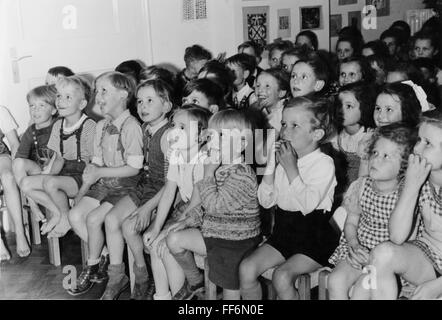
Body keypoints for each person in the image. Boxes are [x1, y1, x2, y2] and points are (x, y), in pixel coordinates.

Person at [240, 96, 339, 300]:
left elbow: (308, 205)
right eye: (284, 124)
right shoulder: (284, 158)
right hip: (284, 234)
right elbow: (266, 201)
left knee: (282, 277)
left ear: (316, 134)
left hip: (314, 239)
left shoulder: (323, 163)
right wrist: (269, 166)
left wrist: (290, 167)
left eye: (295, 126)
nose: (285, 131)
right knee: (247, 268)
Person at [165, 109, 261, 300]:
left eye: (222, 136)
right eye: (211, 136)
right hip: (216, 234)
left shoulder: (242, 175)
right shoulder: (219, 168)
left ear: (242, 144)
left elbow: (215, 205)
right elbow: (205, 207)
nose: (213, 142)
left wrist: (207, 175)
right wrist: (187, 221)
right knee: (174, 239)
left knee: (229, 291)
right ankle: (196, 282)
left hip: (236, 242)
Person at [67, 71, 143, 296]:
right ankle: (103, 255)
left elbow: (134, 167)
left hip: (125, 186)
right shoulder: (101, 126)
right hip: (103, 184)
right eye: (96, 91)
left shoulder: (131, 125)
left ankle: (95, 269)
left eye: (104, 91)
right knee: (74, 215)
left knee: (93, 219)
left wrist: (100, 171)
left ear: (123, 95)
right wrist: (84, 187)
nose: (97, 96)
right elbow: (96, 164)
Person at [100, 79, 173, 300]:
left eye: (150, 100)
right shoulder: (144, 128)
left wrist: (147, 208)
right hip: (145, 185)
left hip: (164, 192)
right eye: (140, 101)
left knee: (129, 227)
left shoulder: (169, 135)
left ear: (167, 106)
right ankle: (119, 277)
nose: (143, 106)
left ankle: (142, 275)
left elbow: (173, 182)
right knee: (111, 220)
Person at [328, 123, 417, 299]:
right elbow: (351, 222)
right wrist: (354, 245)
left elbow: (409, 240)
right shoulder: (361, 186)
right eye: (375, 153)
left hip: (386, 263)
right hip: (358, 249)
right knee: (335, 280)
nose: (375, 160)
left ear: (404, 166)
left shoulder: (406, 195)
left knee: (363, 289)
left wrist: (374, 259)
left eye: (386, 156)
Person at [369, 111, 442, 300]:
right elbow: (397, 237)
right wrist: (411, 186)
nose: (417, 148)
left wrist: (436, 287)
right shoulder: (416, 177)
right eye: (419, 140)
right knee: (383, 253)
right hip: (428, 258)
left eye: (428, 143)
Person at [142, 106, 211, 300]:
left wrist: (169, 230)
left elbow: (198, 204)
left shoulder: (204, 160)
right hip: (187, 212)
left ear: (202, 135)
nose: (174, 132)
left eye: (182, 127)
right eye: (173, 126)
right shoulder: (177, 155)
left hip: (204, 216)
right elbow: (168, 193)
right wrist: (156, 228)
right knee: (156, 244)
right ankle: (162, 296)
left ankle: (183, 296)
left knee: (166, 248)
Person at [20, 76, 96, 237]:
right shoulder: (58, 125)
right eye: (59, 96)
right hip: (64, 175)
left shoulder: (89, 126)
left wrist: (82, 191)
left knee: (51, 183)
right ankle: (58, 213)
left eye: (68, 97)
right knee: (26, 183)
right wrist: (45, 176)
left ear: (82, 104)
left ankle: (65, 218)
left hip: (83, 178)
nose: (61, 101)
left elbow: (93, 165)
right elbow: (59, 159)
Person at [13, 85, 58, 230]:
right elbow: (21, 156)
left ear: (54, 109)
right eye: (32, 106)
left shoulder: (59, 125)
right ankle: (33, 203)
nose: (35, 110)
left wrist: (50, 169)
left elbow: (62, 153)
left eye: (41, 105)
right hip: (40, 172)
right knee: (18, 163)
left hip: (59, 170)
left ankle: (56, 212)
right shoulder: (30, 131)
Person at [0, 105, 30, 258]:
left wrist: (16, 166)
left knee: (8, 177)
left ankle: (20, 232)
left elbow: (14, 143)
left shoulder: (1, 110)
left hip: (0, 155)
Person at [254, 68, 290, 136]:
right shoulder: (262, 109)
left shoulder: (282, 113)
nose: (260, 90)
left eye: (267, 86)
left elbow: (268, 142)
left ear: (281, 93)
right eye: (258, 85)